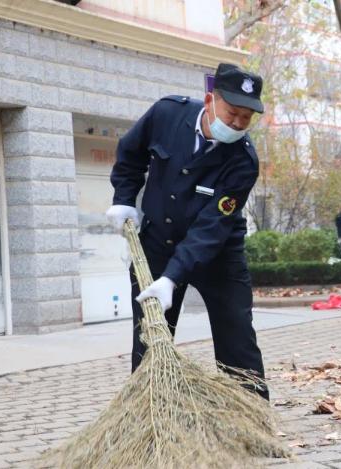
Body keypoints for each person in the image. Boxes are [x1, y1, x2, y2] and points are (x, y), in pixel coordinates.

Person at [105, 63, 269, 400]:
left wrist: (172, 278)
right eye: (232, 113)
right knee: (151, 339)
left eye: (246, 118)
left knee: (237, 336)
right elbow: (130, 153)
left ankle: (251, 413)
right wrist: (123, 199)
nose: (238, 123)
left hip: (218, 254)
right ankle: (151, 413)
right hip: (157, 245)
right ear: (210, 100)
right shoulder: (166, 114)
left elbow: (211, 228)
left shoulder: (243, 161)